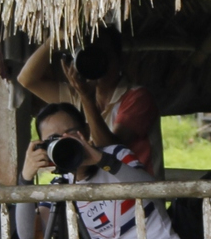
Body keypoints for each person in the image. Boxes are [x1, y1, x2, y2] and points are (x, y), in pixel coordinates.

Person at [12, 102, 191, 239]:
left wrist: (98, 158)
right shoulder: (60, 184)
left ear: (86, 132)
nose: (64, 142)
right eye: (53, 140)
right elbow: (27, 234)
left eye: (69, 134)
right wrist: (25, 179)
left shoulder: (115, 156)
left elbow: (149, 189)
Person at [16, 31, 162, 176]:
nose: (96, 62)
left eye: (104, 55)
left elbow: (110, 148)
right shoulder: (77, 96)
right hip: (101, 192)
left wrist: (86, 98)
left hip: (139, 189)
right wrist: (52, 41)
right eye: (90, 55)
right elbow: (26, 80)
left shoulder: (138, 97)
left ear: (119, 59)